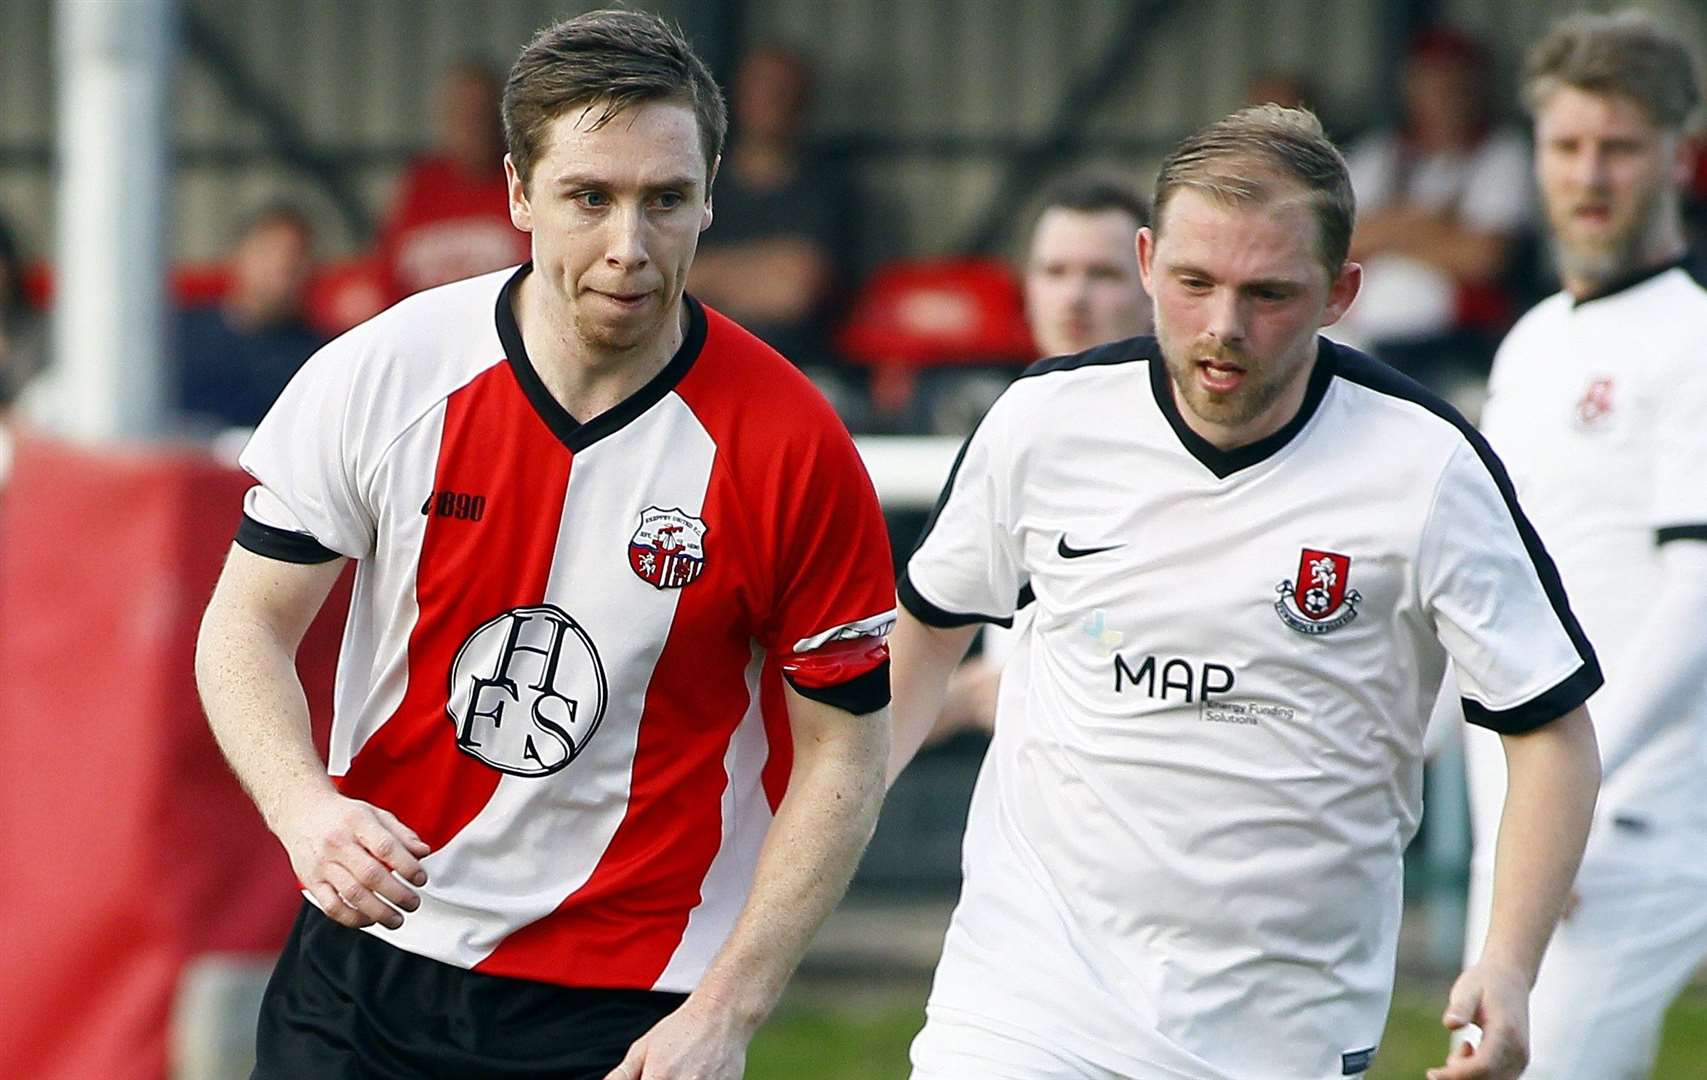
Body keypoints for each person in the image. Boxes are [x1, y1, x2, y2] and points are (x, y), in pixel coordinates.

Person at [195, 11, 895, 1079]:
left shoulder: (793, 444)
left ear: (710, 190)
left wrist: (730, 1011)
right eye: (589, 198)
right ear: (520, 193)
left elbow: (845, 748)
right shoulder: (383, 374)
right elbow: (244, 625)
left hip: (634, 996)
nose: (629, 245)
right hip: (371, 961)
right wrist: (304, 812)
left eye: (664, 200)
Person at [888, 105, 1602, 1080]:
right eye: (1193, 284)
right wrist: (813, 832)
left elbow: (1551, 732)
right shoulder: (1044, 422)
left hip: (1280, 1027)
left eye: (1268, 292)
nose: (1223, 328)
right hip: (1025, 1002)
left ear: (1342, 292)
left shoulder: (1426, 467)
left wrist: (1510, 964)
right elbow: (922, 636)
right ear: (1146, 260)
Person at [1455, 13, 1707, 1078]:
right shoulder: (1534, 340)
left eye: (1619, 146)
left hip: (1628, 818)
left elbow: (1699, 596)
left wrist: (1574, 791)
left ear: (1676, 156)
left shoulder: (1693, 339)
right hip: (1526, 816)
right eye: (1567, 146)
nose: (1590, 174)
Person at [934, 176, 1152, 738]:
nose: (1073, 297)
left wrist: (988, 691)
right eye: (1054, 272)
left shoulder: (1186, 442)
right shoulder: (1011, 427)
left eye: (1101, 274)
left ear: (1155, 283)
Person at [1337, 28, 1535, 385]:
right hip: (1364, 334)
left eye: (1453, 82)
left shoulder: (1501, 153)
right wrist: (1427, 224)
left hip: (1456, 346)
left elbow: (1483, 257)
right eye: (1429, 81)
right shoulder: (1380, 152)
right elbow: (1337, 243)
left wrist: (1384, 228)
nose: (1442, 95)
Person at [686, 46, 853, 385]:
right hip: (698, 367)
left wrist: (708, 275)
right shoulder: (697, 182)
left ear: (804, 100)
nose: (771, 101)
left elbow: (795, 291)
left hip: (804, 374)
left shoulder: (829, 190)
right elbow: (667, 282)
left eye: (782, 91)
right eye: (760, 89)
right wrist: (760, 270)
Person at [378, 59, 532, 302]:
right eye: (461, 112)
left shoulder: (524, 182)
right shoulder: (421, 184)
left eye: (481, 114)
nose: (472, 126)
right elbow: (387, 271)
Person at [173, 202, 327, 430]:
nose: (280, 266)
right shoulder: (177, 337)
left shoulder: (319, 361)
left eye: (293, 256)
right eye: (267, 253)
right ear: (238, 256)